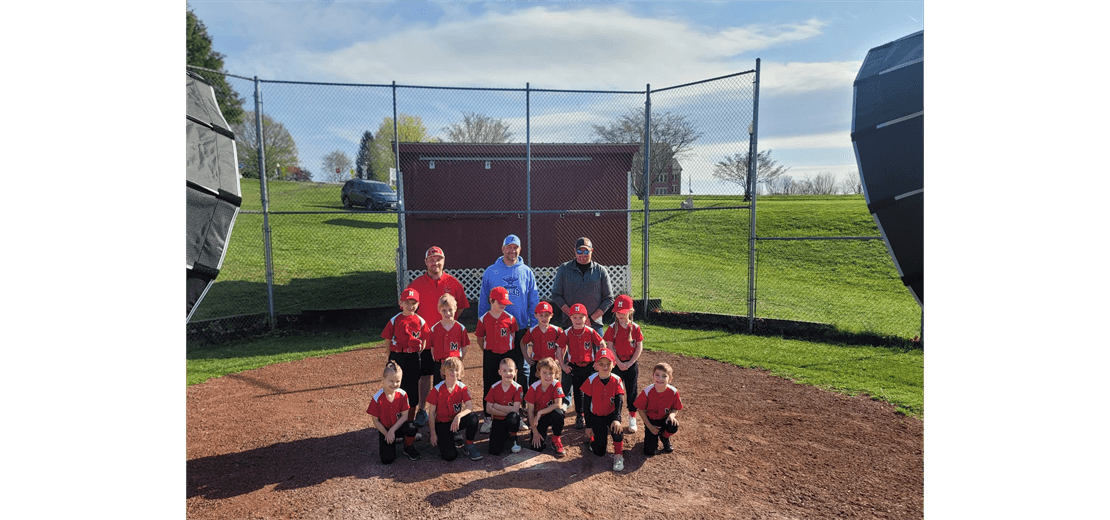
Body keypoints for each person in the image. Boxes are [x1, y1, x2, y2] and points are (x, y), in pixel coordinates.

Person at [406, 246, 470, 428]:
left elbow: (462, 306)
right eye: (431, 259)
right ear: (426, 262)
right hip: (426, 339)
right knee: (425, 376)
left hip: (448, 341)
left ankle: (452, 412)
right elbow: (409, 309)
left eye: (438, 259)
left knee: (452, 375)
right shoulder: (416, 284)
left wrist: (451, 323)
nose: (435, 262)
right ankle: (422, 410)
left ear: (444, 261)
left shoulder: (453, 283)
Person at [550, 237, 613, 408]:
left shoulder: (600, 271)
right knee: (570, 363)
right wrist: (573, 316)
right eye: (579, 251)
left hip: (594, 325)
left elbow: (608, 298)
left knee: (598, 362)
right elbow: (556, 295)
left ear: (591, 251)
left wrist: (591, 319)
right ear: (575, 251)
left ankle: (596, 397)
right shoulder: (564, 269)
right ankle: (566, 398)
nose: (582, 254)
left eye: (586, 251)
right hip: (570, 324)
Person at [478, 234, 539, 391]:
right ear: (503, 249)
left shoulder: (526, 272)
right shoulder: (491, 271)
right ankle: (492, 405)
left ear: (520, 249)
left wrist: (533, 326)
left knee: (521, 367)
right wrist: (482, 324)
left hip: (519, 326)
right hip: (495, 328)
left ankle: (523, 403)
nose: (512, 251)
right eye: (509, 247)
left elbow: (533, 300)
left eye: (515, 247)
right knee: (495, 367)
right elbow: (484, 299)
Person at [475, 286, 521, 434]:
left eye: (505, 302)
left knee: (511, 384)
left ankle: (516, 416)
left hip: (507, 355)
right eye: (499, 302)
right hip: (490, 356)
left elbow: (512, 337)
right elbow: (480, 339)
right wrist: (489, 352)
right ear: (491, 300)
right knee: (490, 385)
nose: (503, 305)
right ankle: (488, 418)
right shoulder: (483, 320)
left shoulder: (510, 318)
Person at [380, 287, 428, 426]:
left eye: (414, 303)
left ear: (418, 305)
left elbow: (424, 338)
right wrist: (391, 356)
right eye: (407, 302)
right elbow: (388, 340)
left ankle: (409, 423)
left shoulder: (420, 320)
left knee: (412, 389)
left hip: (412, 356)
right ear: (400, 303)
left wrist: (418, 350)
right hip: (397, 356)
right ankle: (393, 422)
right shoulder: (395, 320)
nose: (410, 306)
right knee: (394, 387)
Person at [556, 303, 605, 430]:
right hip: (575, 366)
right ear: (570, 318)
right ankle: (580, 415)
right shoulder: (567, 333)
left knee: (593, 391)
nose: (578, 320)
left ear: (586, 318)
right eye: (574, 317)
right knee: (578, 392)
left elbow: (602, 344)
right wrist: (563, 365)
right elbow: (559, 349)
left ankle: (595, 413)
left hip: (590, 366)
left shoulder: (590, 331)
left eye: (581, 317)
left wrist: (599, 361)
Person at [425, 357, 482, 461]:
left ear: (460, 372)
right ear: (443, 371)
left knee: (473, 417)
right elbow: (432, 413)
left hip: (455, 421)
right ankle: (446, 438)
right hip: (442, 423)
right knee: (449, 456)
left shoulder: (462, 387)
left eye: (456, 369)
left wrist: (459, 416)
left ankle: (468, 445)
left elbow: (469, 406)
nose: (453, 372)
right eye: (450, 369)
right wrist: (433, 434)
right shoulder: (437, 389)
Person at [581, 347, 627, 471]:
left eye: (608, 363)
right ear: (596, 366)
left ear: (614, 364)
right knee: (599, 452)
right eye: (601, 364)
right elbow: (586, 405)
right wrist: (589, 426)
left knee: (617, 429)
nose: (605, 367)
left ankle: (618, 455)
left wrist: (617, 419)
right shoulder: (590, 380)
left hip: (611, 414)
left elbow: (619, 401)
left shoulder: (617, 379)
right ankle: (593, 438)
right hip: (596, 415)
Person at [603, 294, 644, 433]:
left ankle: (632, 418)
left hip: (631, 364)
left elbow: (639, 347)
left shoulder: (636, 328)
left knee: (632, 391)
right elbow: (610, 346)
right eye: (618, 312)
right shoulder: (612, 327)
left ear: (630, 311)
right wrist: (619, 362)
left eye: (623, 311)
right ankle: (615, 418)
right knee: (616, 392)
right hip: (617, 364)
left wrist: (631, 362)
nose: (620, 314)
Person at [366, 360, 421, 463]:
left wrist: (393, 431)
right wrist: (387, 433)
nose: (394, 384)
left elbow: (405, 416)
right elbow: (376, 421)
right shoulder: (377, 398)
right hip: (385, 429)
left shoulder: (403, 394)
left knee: (412, 428)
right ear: (384, 379)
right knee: (387, 459)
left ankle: (408, 447)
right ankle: (391, 442)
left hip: (398, 427)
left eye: (397, 381)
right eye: (391, 381)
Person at [634, 362, 684, 456]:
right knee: (649, 452)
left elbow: (675, 408)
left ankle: (664, 437)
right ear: (653, 376)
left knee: (673, 425)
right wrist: (650, 427)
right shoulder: (647, 391)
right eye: (657, 375)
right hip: (651, 421)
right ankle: (652, 436)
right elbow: (640, 409)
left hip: (665, 419)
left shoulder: (673, 392)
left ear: (670, 379)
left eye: (664, 376)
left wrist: (672, 416)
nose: (660, 378)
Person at [525, 357, 567, 456]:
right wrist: (535, 432)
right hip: (537, 420)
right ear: (539, 373)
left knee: (559, 413)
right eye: (544, 372)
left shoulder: (556, 384)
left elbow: (558, 404)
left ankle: (556, 438)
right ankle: (539, 433)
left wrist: (540, 412)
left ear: (556, 374)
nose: (548, 376)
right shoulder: (533, 387)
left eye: (551, 373)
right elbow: (530, 412)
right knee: (537, 448)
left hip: (548, 415)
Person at [426, 293, 470, 387]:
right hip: (440, 364)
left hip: (454, 365)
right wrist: (437, 360)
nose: (448, 313)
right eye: (444, 310)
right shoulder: (434, 329)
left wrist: (459, 360)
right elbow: (432, 348)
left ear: (455, 309)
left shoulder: (460, 328)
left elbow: (464, 347)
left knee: (455, 389)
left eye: (450, 310)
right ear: (439, 310)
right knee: (439, 389)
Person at [485, 358, 525, 455]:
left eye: (511, 370)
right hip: (498, 419)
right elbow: (488, 409)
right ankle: (505, 436)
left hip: (511, 420)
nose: (508, 373)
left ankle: (513, 437)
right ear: (499, 372)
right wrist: (506, 412)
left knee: (513, 417)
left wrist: (496, 405)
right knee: (494, 451)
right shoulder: (494, 387)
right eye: (504, 371)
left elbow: (515, 409)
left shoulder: (518, 388)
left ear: (515, 372)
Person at [521, 302, 565, 387]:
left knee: (553, 386)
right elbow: (523, 342)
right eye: (541, 315)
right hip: (537, 362)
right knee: (534, 386)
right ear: (536, 316)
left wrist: (560, 358)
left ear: (551, 315)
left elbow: (564, 344)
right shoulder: (532, 330)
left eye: (546, 315)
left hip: (551, 362)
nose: (544, 318)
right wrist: (526, 357)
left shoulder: (557, 330)